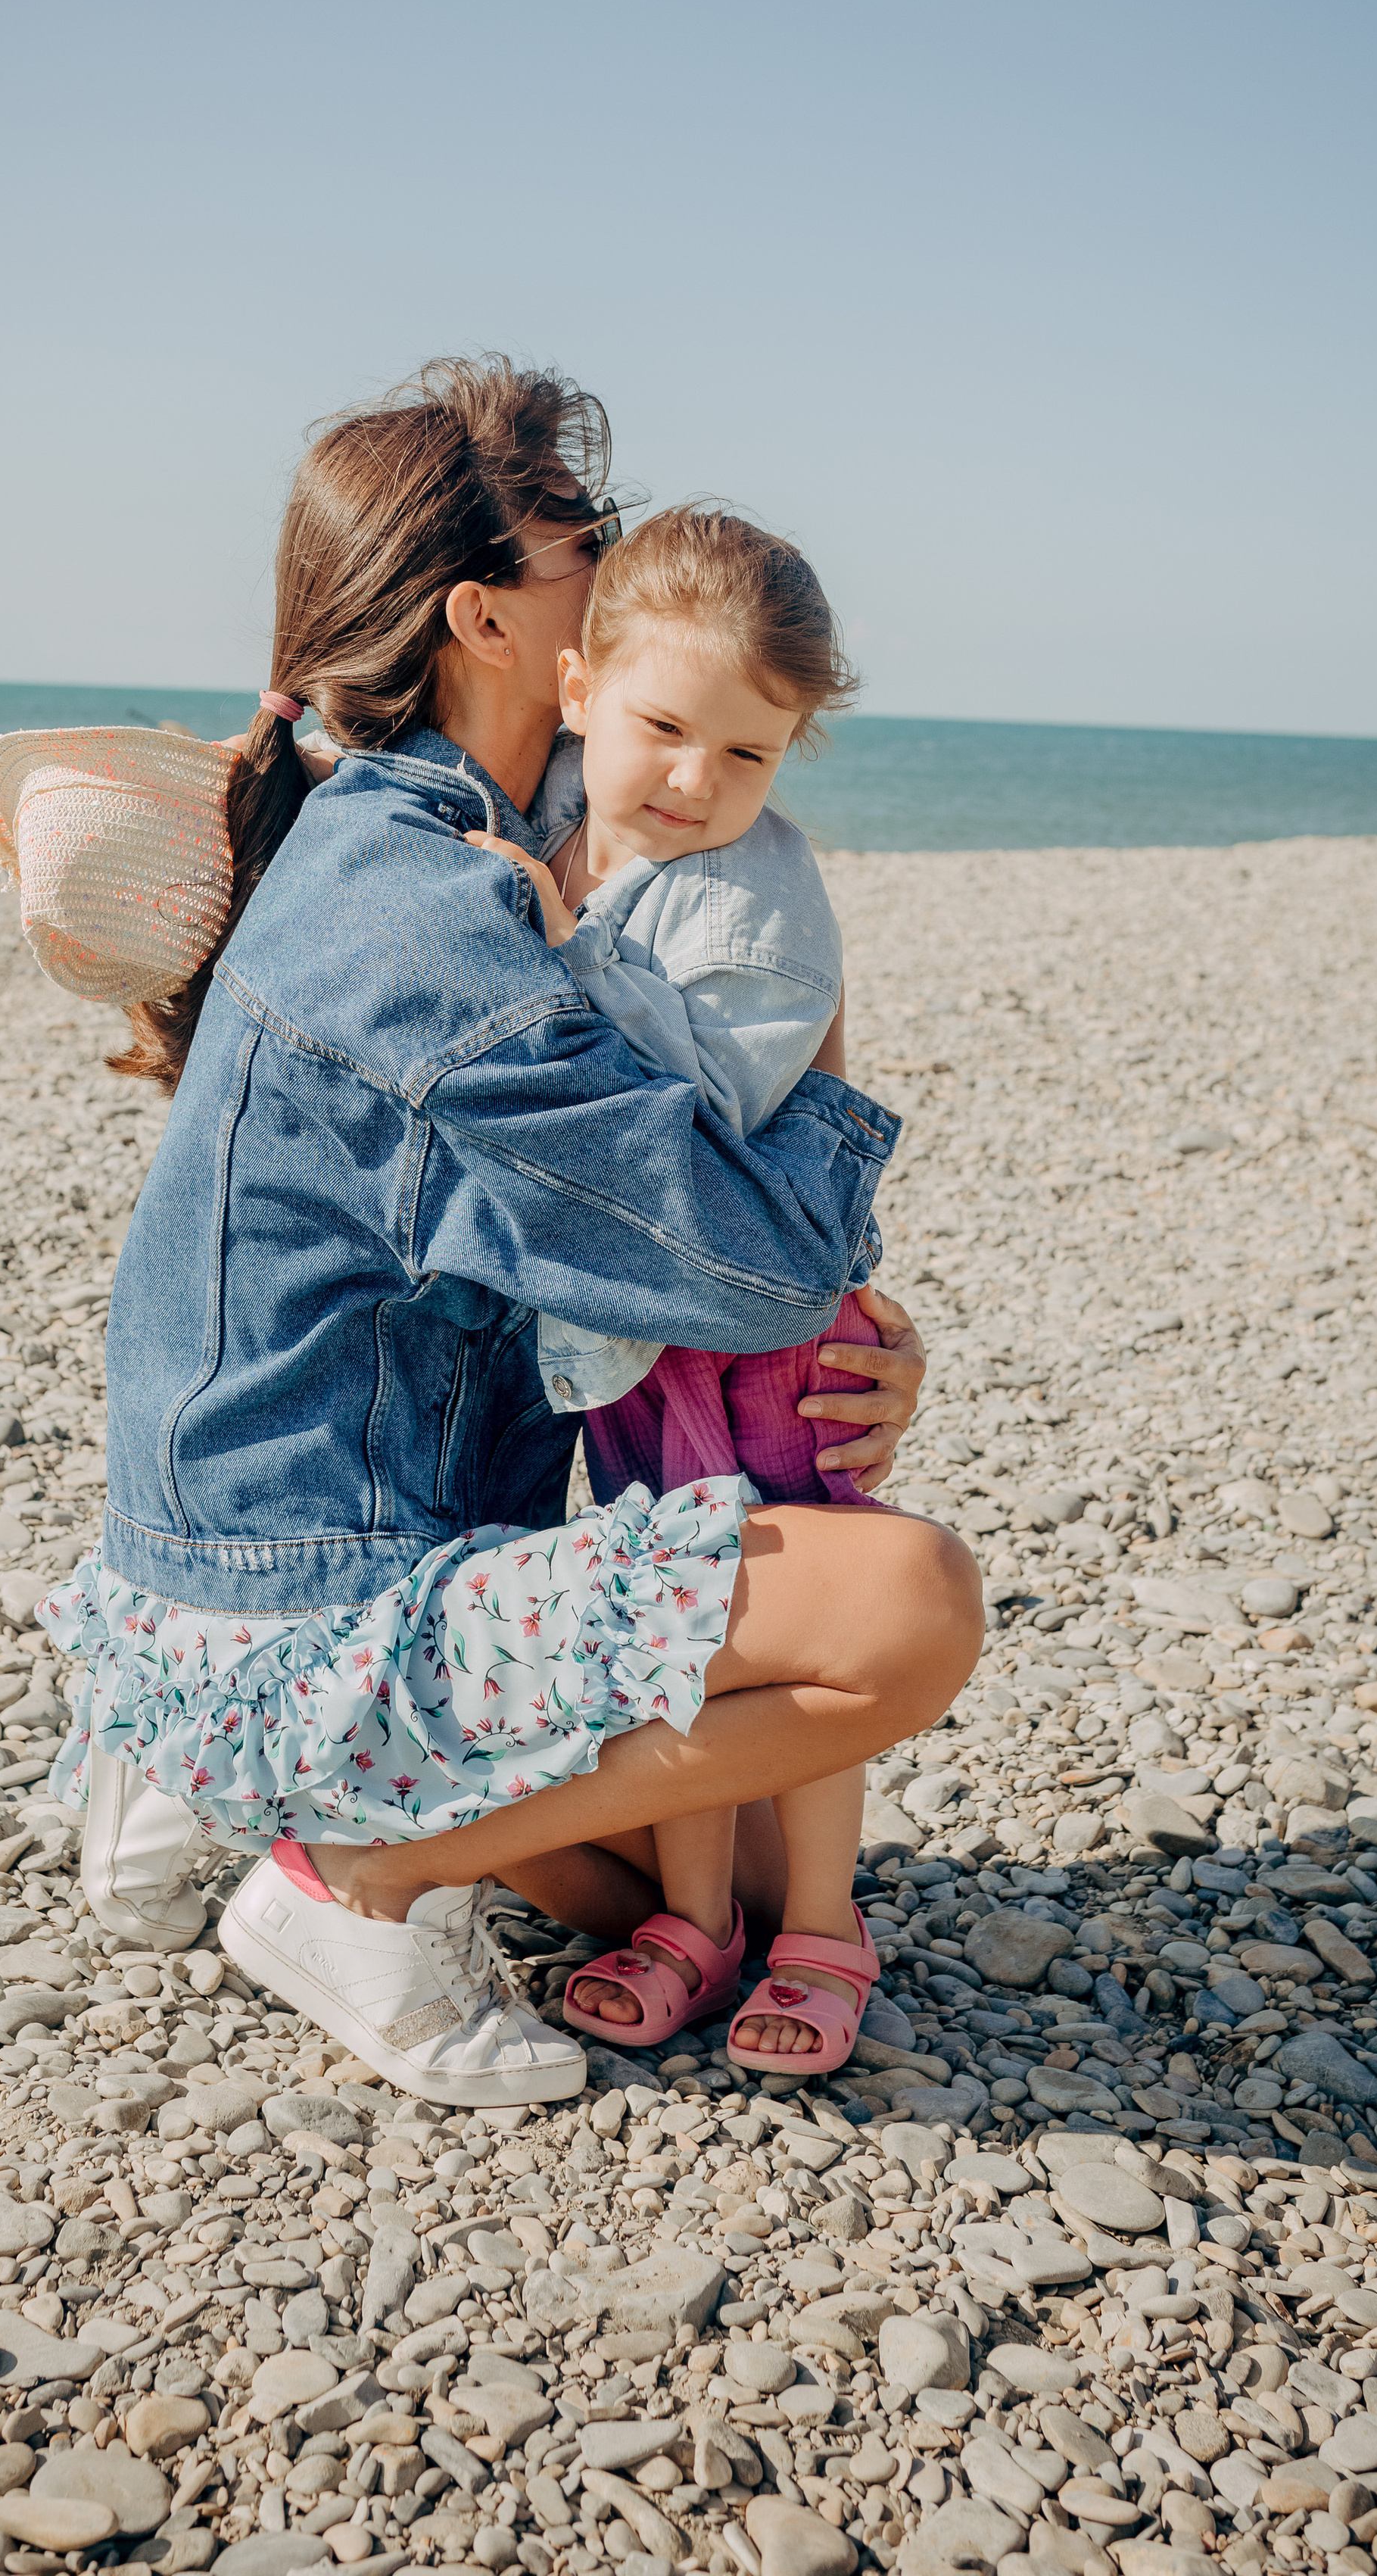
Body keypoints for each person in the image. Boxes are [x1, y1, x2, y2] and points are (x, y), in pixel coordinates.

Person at [4, 357, 980, 2107]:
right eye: (580, 547)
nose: (612, 565)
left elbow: (694, 1247)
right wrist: (827, 1089)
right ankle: (342, 1876)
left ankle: (240, 1787)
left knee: (751, 1895)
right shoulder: (421, 910)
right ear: (493, 620)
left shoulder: (493, 844)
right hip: (309, 1608)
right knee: (908, 1615)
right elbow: (750, 1265)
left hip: (279, 1559)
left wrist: (852, 1338)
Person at [462, 503, 894, 2068]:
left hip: (758, 1323)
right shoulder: (552, 809)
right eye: (663, 728)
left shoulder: (762, 903)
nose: (698, 783)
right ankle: (694, 1922)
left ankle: (824, 1924)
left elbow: (700, 1124)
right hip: (629, 1335)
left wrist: (569, 946)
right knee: (666, 1615)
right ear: (574, 688)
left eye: (748, 755)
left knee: (781, 1620)